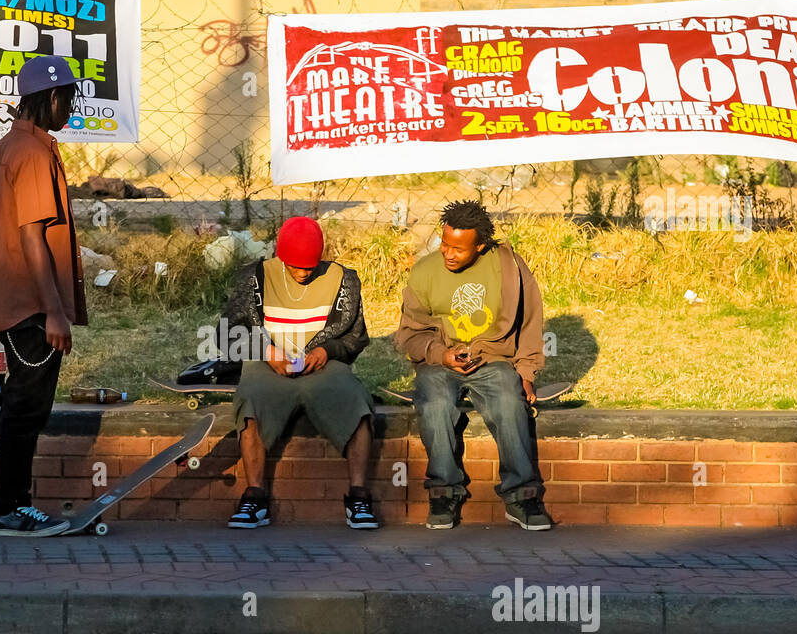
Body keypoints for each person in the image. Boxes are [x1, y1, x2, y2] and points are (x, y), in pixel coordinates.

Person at [0, 56, 88, 537]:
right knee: (27, 406)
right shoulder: (34, 154)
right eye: (69, 99)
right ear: (52, 98)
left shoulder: (7, 147)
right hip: (32, 303)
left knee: (23, 401)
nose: (71, 109)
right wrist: (54, 311)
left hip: (12, 296)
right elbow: (34, 236)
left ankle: (11, 504)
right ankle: (7, 507)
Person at [394, 200, 553, 531]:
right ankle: (443, 492)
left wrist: (526, 373)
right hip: (440, 361)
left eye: (459, 249)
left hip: (493, 359)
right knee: (435, 404)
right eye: (444, 244)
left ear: (480, 245)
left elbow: (530, 322)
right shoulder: (424, 272)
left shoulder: (507, 267)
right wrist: (440, 355)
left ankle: (521, 496)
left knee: (510, 402)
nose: (448, 254)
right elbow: (409, 335)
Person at [220, 216, 378, 529]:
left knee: (357, 403)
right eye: (295, 267)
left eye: (310, 266)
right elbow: (227, 334)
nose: (303, 273)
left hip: (321, 364)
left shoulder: (343, 279)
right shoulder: (255, 277)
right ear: (280, 257)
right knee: (250, 400)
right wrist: (266, 352)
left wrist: (326, 351)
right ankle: (255, 497)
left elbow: (355, 337)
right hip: (268, 362)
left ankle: (358, 496)